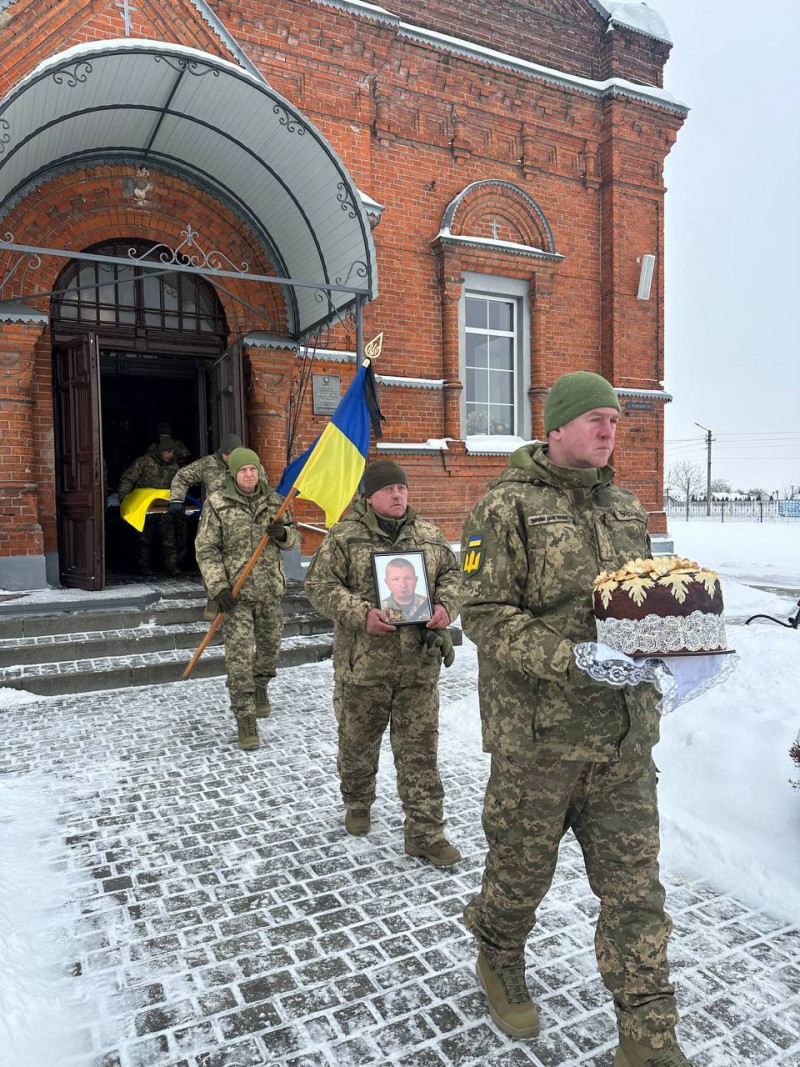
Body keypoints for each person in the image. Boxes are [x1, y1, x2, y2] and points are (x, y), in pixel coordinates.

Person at [460, 371, 692, 1066]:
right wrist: (570, 657)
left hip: (622, 741)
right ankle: (499, 955)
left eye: (616, 421)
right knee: (519, 872)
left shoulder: (626, 507)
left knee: (636, 891)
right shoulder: (503, 509)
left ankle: (649, 1037)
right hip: (539, 742)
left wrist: (680, 641)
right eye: (594, 418)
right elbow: (484, 613)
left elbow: (644, 603)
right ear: (555, 427)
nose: (608, 430)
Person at [304, 458, 463, 865]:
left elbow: (454, 575)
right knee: (357, 745)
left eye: (403, 488)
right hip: (363, 669)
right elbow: (318, 585)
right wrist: (360, 615)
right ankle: (357, 802)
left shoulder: (427, 534)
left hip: (417, 670)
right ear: (369, 496)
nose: (398, 495)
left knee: (420, 753)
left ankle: (426, 833)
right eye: (389, 489)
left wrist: (447, 605)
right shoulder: (344, 538)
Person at [194, 447, 298, 751]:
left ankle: (261, 685)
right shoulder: (217, 504)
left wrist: (282, 534)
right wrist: (218, 587)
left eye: (253, 469)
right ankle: (244, 717)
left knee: (270, 652)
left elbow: (293, 540)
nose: (249, 475)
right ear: (233, 474)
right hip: (235, 595)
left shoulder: (275, 502)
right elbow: (207, 549)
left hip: (269, 591)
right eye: (243, 470)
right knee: (238, 659)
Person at [169, 433, 242, 611]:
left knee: (238, 559)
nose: (229, 458)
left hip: (241, 520)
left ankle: (240, 598)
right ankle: (213, 597)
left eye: (233, 454)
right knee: (209, 557)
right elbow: (182, 476)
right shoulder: (208, 463)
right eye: (226, 454)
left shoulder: (249, 465)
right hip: (213, 520)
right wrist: (177, 500)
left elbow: (261, 488)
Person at [118, 437, 181, 577]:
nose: (170, 455)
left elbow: (180, 484)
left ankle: (172, 568)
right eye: (167, 452)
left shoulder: (174, 466)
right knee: (144, 540)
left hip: (164, 507)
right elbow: (127, 479)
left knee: (169, 539)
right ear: (160, 452)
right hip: (144, 508)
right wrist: (124, 500)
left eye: (172, 452)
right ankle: (144, 569)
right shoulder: (143, 462)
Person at [380, 557, 430, 623]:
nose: (403, 585)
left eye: (408, 578)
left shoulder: (429, 605)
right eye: (395, 579)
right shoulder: (380, 609)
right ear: (387, 582)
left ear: (416, 580)